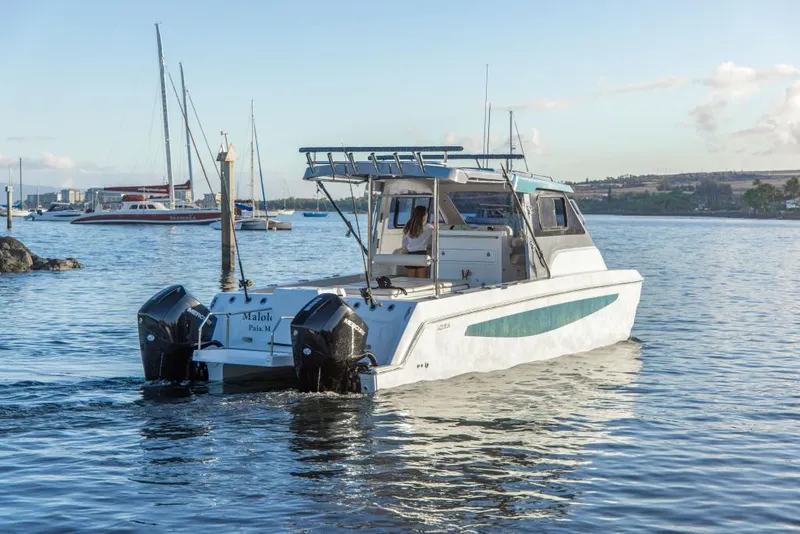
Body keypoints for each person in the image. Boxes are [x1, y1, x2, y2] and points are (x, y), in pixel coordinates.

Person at [401, 205, 433, 278]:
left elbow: (404, 244)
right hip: (422, 255)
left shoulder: (407, 227)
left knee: (411, 281)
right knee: (421, 282)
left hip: (410, 256)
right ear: (424, 215)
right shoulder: (428, 228)